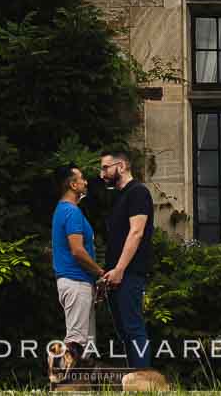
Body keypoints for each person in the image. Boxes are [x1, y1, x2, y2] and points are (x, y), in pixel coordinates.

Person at [98, 149, 155, 370]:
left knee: (133, 328)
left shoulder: (138, 192)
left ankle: (143, 382)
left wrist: (120, 269)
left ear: (121, 166)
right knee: (124, 331)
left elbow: (136, 233)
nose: (102, 174)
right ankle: (135, 379)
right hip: (117, 275)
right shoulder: (120, 197)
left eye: (105, 167)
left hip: (130, 274)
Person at [51, 165, 102, 369]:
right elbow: (77, 251)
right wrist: (99, 272)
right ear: (73, 184)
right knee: (76, 341)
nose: (86, 182)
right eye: (82, 179)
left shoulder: (64, 210)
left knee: (86, 344)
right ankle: (63, 385)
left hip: (77, 282)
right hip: (76, 281)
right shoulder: (71, 212)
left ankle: (82, 386)